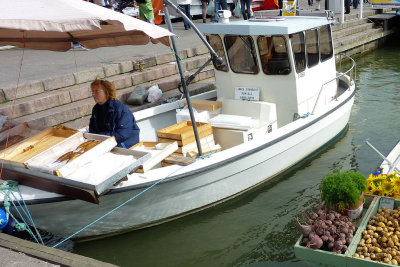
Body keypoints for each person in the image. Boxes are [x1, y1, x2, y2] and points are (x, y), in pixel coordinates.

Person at [89, 79, 140, 148]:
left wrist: (100, 136)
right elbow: (92, 130)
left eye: (96, 91)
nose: (93, 94)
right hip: (107, 143)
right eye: (92, 91)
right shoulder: (96, 109)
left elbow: (122, 135)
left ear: (107, 92)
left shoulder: (119, 109)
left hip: (125, 145)